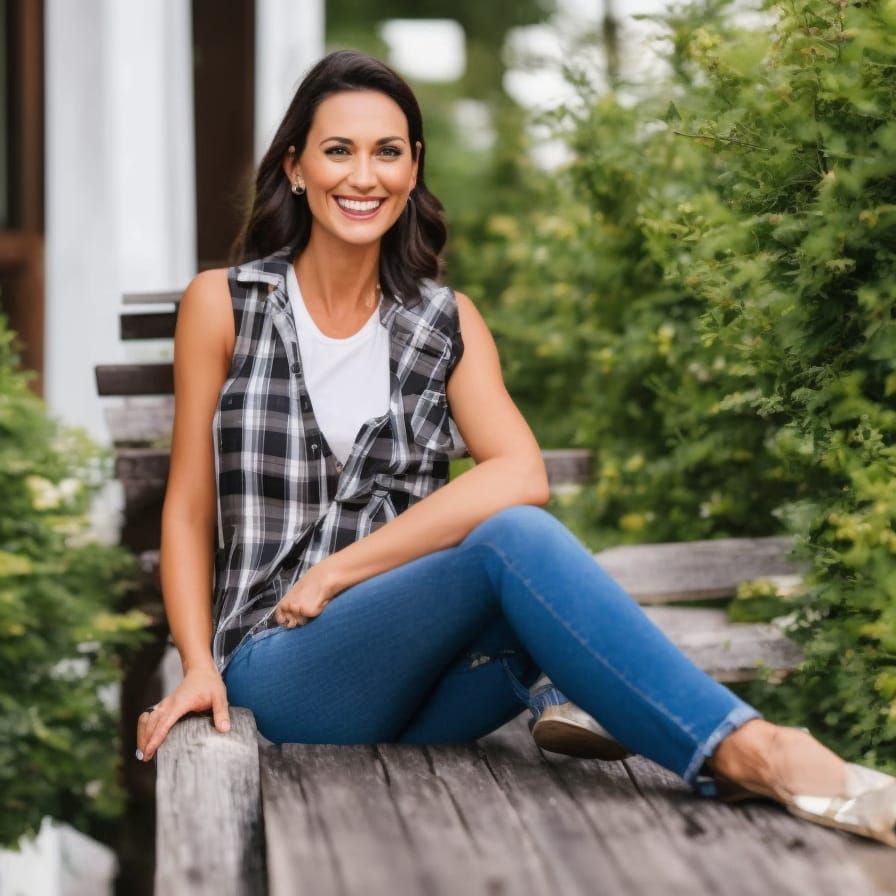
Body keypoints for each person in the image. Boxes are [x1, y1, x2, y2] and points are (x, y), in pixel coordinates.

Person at [135, 49, 895, 848]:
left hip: (418, 699)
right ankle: (757, 750)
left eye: (388, 152)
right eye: (339, 150)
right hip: (277, 670)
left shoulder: (443, 322)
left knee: (525, 575)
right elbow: (188, 510)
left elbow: (519, 471)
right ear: (295, 167)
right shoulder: (226, 304)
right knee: (513, 545)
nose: (365, 176)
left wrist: (341, 570)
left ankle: (584, 695)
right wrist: (197, 664)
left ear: (414, 167)